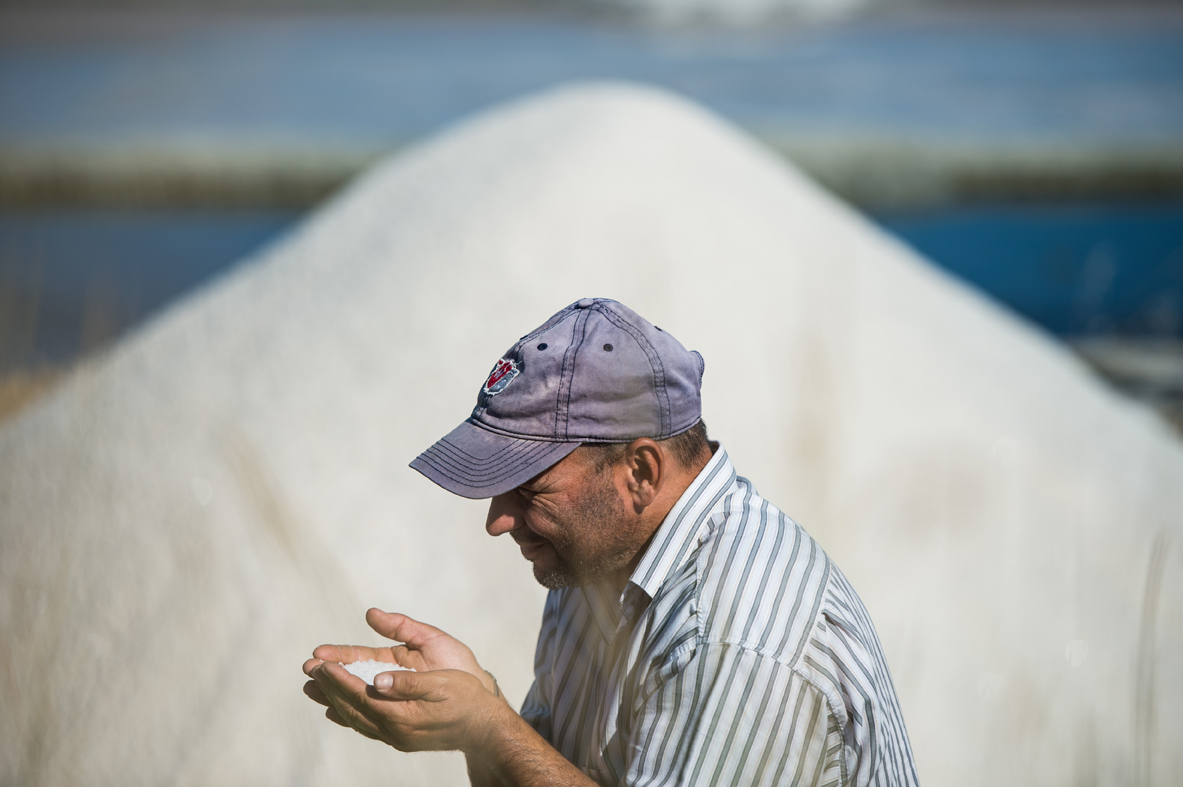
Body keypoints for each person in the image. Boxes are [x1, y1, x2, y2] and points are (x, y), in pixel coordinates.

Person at [303, 297, 920, 786]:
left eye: (530, 488)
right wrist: (478, 708)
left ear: (641, 473)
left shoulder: (737, 636)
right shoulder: (599, 558)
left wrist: (490, 729)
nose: (497, 520)